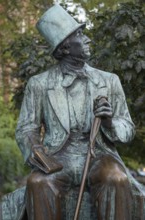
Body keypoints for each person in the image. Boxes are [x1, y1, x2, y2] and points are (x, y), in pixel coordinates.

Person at [15, 4, 145, 220]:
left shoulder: (109, 81)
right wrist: (38, 152)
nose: (87, 39)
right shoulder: (39, 84)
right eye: (79, 34)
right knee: (38, 182)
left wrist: (109, 123)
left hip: (99, 155)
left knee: (115, 178)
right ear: (64, 48)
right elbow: (27, 127)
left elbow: (127, 128)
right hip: (58, 156)